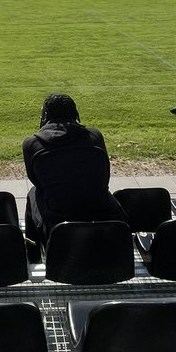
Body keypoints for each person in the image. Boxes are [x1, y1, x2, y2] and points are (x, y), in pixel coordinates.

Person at [22, 93, 126, 249]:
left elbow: (38, 183)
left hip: (58, 224)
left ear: (45, 116)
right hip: (106, 216)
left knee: (33, 193)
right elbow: (104, 178)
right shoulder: (95, 136)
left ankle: (33, 253)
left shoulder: (32, 144)